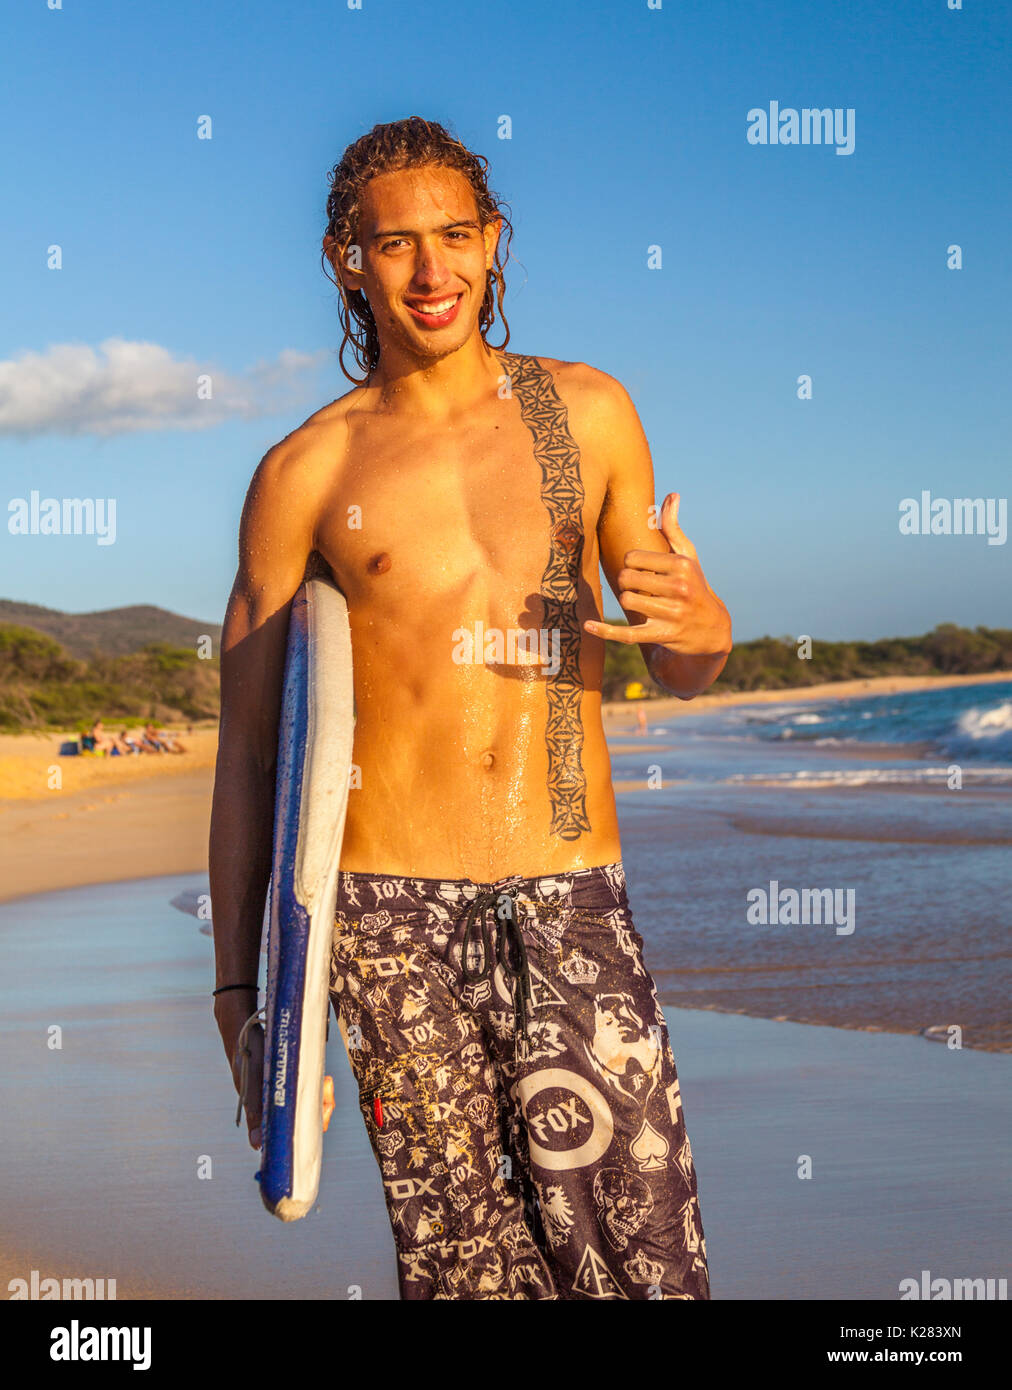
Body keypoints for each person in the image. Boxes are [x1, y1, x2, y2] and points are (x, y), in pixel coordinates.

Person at [209, 117, 732, 1301]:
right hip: (389, 921)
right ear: (346, 259)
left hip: (569, 894)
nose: (430, 270)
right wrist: (243, 1004)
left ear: (493, 241)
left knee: (643, 1260)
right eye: (395, 244)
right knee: (459, 1271)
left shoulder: (584, 412)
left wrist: (704, 630)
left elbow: (675, 660)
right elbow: (249, 759)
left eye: (454, 236)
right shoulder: (305, 473)